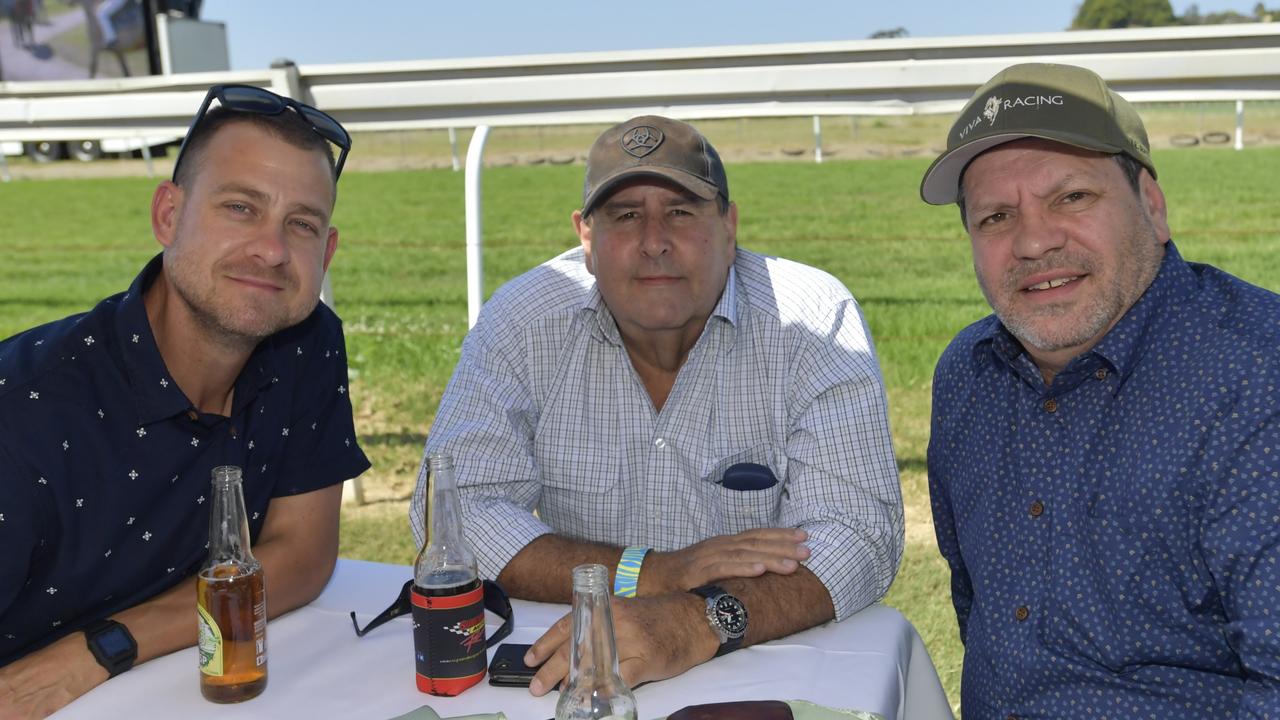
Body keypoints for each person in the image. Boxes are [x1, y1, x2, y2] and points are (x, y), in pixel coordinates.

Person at [410, 115, 903, 694]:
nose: (653, 241)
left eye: (681, 211)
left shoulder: (812, 319)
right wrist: (651, 573)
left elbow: (859, 531)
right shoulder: (524, 321)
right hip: (585, 667)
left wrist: (694, 619)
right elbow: (455, 512)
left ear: (730, 225)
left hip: (767, 665)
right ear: (586, 239)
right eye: (624, 216)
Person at [921, 62, 1280, 718]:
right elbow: (979, 610)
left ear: (1152, 203)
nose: (1033, 240)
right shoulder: (967, 376)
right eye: (996, 216)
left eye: (1072, 198)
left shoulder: (1256, 378)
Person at [0, 84, 369, 717]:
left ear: (326, 252)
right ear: (168, 215)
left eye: (300, 224)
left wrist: (103, 647)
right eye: (240, 208)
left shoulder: (304, 341)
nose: (273, 250)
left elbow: (304, 556)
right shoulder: (24, 409)